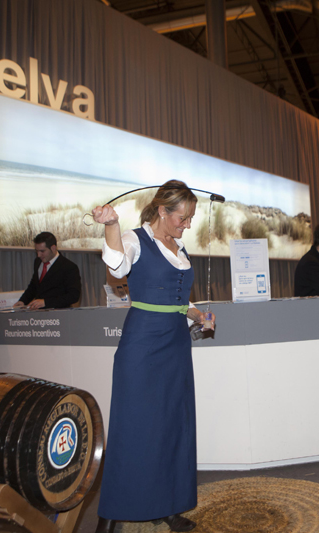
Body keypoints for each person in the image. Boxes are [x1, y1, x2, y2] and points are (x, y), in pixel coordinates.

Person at [91, 180, 216, 533]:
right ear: (162, 210)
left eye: (190, 218)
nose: (187, 224)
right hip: (142, 347)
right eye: (183, 217)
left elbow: (177, 298)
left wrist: (197, 315)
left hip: (176, 346)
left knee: (172, 427)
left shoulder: (178, 246)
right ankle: (112, 513)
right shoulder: (134, 239)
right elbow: (116, 267)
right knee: (135, 428)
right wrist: (112, 225)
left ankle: (169, 505)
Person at [14, 231, 81, 310]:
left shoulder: (69, 267)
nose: (39, 255)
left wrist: (46, 302)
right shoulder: (38, 262)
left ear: (53, 248)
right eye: (37, 251)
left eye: (42, 251)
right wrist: (23, 301)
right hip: (39, 316)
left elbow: (73, 296)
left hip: (58, 316)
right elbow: (34, 286)